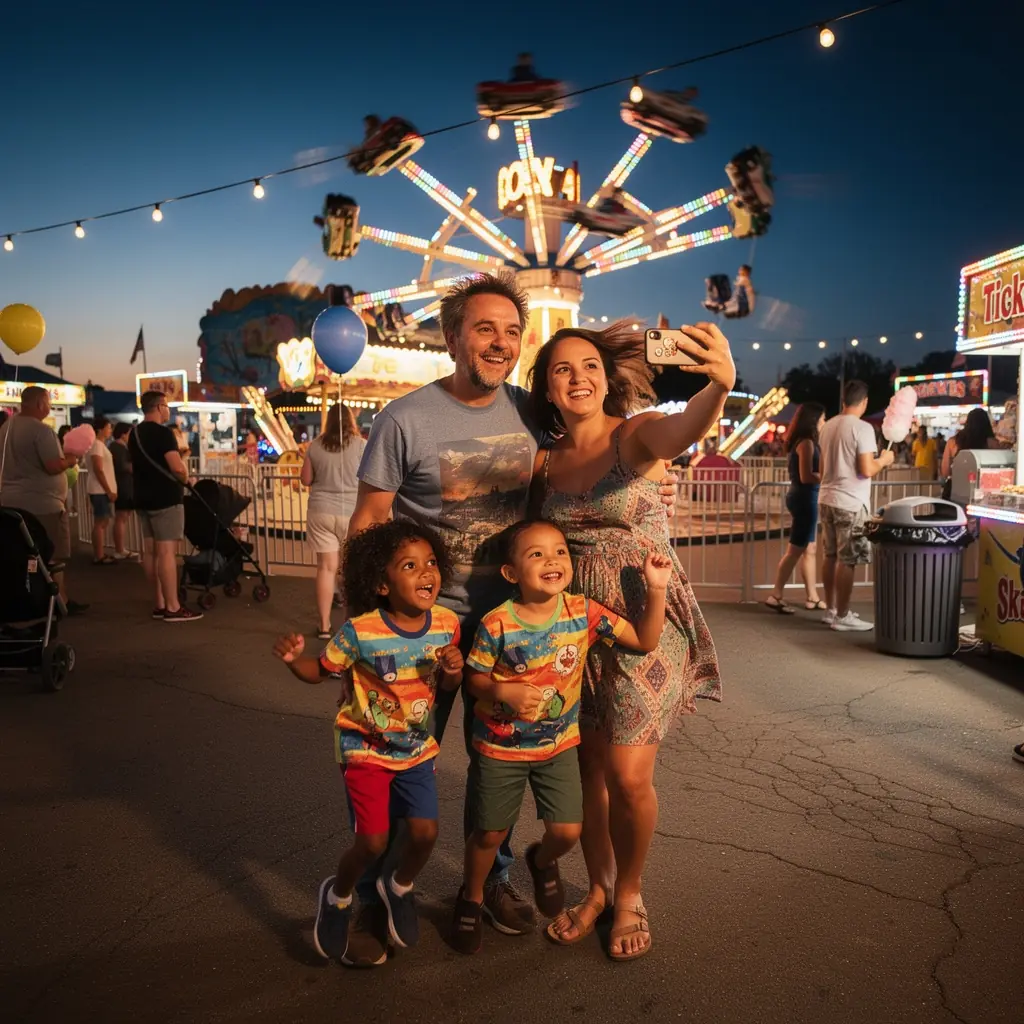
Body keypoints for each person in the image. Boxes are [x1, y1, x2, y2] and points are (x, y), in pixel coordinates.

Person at [346, 270, 681, 966]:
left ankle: (491, 881)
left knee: (499, 760)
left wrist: (653, 474)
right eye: (484, 328)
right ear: (451, 337)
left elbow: (600, 449)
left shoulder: (533, 410)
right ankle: (381, 892)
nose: (499, 342)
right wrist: (362, 628)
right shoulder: (405, 419)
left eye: (510, 331)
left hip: (517, 621)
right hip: (425, 625)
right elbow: (370, 520)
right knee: (398, 756)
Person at [528, 318, 730, 960]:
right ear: (547, 388)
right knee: (589, 769)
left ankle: (632, 893)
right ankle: (599, 888)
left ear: (606, 377)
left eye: (589, 365)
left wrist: (718, 387)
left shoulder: (635, 434)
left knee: (627, 773)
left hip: (646, 618)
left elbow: (683, 427)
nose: (578, 378)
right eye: (563, 369)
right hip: (576, 627)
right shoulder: (544, 461)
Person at [450, 519, 672, 956]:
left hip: (557, 748)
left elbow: (645, 640)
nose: (552, 560)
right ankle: (471, 897)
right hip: (500, 748)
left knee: (568, 832)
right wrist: (502, 691)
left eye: (559, 552)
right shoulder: (497, 623)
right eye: (536, 554)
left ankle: (541, 859)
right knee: (489, 832)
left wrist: (657, 588)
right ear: (511, 573)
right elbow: (474, 679)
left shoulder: (583, 612)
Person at [272, 521, 463, 964]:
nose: (426, 572)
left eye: (431, 562)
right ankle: (337, 895)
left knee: (426, 833)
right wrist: (293, 660)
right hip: (365, 751)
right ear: (381, 584)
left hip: (416, 749)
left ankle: (399, 885)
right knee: (372, 843)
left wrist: (454, 669)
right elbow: (321, 670)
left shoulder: (447, 624)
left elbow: (449, 684)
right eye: (409, 566)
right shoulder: (361, 631)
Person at [0, 386, 86, 613]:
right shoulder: (41, 431)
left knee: (22, 555)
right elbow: (53, 466)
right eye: (48, 402)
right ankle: (58, 602)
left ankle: (27, 599)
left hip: (11, 502)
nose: (49, 407)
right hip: (43, 505)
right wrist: (71, 460)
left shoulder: (6, 428)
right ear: (40, 403)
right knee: (52, 555)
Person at [817, 380, 894, 632]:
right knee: (847, 559)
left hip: (826, 497)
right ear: (864, 402)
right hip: (850, 501)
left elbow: (822, 468)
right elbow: (866, 468)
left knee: (830, 556)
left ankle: (830, 609)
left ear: (843, 400)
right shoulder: (863, 428)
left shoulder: (827, 426)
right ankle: (842, 615)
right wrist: (884, 460)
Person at [128, 391, 202, 622]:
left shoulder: (135, 433)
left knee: (150, 552)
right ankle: (173, 607)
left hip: (142, 498)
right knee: (167, 553)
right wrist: (186, 478)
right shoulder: (164, 433)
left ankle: (159, 603)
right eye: (167, 405)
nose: (168, 409)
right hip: (166, 498)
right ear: (160, 407)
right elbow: (177, 467)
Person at [300, 402, 366, 638]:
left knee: (326, 569)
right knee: (349, 570)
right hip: (351, 512)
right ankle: (350, 627)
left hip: (321, 512)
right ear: (350, 420)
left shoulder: (315, 446)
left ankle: (324, 626)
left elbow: (306, 479)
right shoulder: (360, 445)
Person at [765, 402, 826, 613]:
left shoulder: (803, 442)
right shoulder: (806, 443)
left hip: (804, 497)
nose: (824, 422)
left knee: (809, 548)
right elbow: (806, 476)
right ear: (813, 420)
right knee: (796, 549)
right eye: (822, 419)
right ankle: (776, 594)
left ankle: (812, 596)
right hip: (805, 497)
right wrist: (826, 477)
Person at [940, 407, 1003, 487]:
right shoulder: (993, 443)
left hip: (959, 486)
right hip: (984, 486)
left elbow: (945, 471)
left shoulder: (953, 442)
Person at [86, 416, 117, 565]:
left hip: (100, 489)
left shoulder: (98, 445)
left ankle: (99, 553)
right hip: (100, 490)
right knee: (100, 522)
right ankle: (98, 555)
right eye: (108, 427)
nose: (110, 430)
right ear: (100, 429)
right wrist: (109, 490)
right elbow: (98, 469)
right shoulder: (97, 445)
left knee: (102, 522)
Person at [110, 422, 137, 559]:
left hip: (123, 485)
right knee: (121, 517)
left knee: (122, 518)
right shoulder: (118, 448)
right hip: (123, 486)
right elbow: (124, 466)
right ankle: (119, 549)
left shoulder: (116, 447)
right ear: (123, 434)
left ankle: (120, 548)